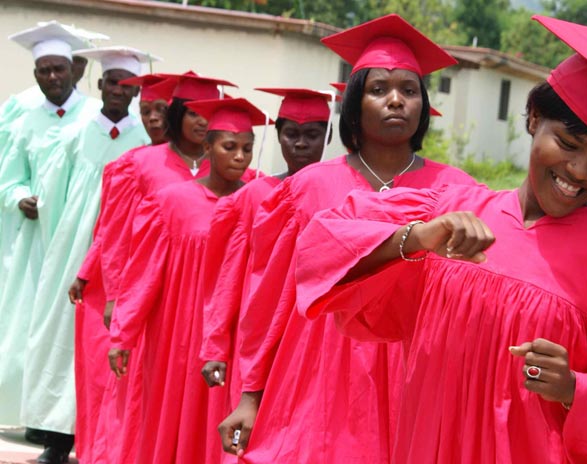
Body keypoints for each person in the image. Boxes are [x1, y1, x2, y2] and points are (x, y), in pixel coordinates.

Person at [295, 15, 587, 463]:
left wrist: (575, 390)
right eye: (568, 143)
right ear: (535, 118)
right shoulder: (446, 209)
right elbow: (324, 245)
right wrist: (419, 237)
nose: (580, 171)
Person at [217, 14, 476, 463]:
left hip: (414, 374)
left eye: (409, 91)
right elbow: (271, 298)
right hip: (318, 373)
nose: (395, 101)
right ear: (354, 104)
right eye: (378, 90)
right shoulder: (308, 187)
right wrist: (250, 393)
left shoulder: (457, 190)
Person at [79, 71, 239, 464]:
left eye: (210, 113)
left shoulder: (231, 170)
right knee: (144, 391)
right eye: (193, 113)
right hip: (156, 296)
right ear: (177, 114)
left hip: (207, 299)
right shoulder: (139, 164)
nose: (202, 122)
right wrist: (118, 295)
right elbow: (115, 236)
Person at [108, 97, 270, 464]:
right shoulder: (170, 202)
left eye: (248, 148)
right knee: (174, 417)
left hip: (235, 333)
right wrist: (124, 334)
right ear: (208, 146)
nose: (240, 157)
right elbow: (143, 274)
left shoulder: (259, 199)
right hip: (178, 336)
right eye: (230, 147)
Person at [20, 45, 153, 463]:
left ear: (136, 93)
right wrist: (59, 246)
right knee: (60, 336)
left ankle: (101, 439)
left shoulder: (145, 138)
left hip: (119, 251)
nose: (118, 90)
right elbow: (54, 193)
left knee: (104, 345)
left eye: (127, 85)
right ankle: (57, 438)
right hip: (73, 245)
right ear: (99, 84)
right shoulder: (78, 132)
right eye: (112, 82)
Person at [0, 21, 101, 463]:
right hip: (35, 243)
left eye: (59, 69)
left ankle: (63, 429)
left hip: (77, 242)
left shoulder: (95, 118)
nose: (52, 78)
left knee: (66, 332)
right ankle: (37, 419)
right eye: (43, 70)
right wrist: (20, 196)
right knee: (25, 331)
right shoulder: (23, 116)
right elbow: (9, 177)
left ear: (76, 70)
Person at [200, 88, 333, 411]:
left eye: (312, 135)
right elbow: (228, 275)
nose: (301, 143)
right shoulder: (254, 195)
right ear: (278, 136)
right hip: (256, 333)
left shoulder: (338, 194)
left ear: (328, 138)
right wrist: (216, 346)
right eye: (291, 134)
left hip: (314, 335)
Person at [119, 73, 177, 145]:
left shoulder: (191, 155)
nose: (152, 118)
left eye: (161, 110)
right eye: (146, 112)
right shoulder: (137, 156)